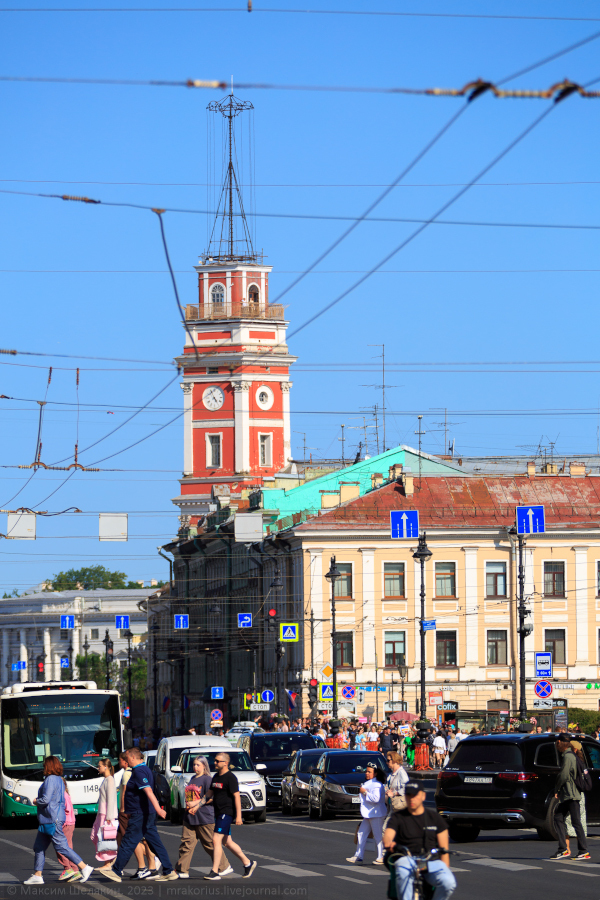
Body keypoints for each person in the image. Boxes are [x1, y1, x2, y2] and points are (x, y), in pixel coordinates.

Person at [102, 747, 176, 883]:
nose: (126, 760)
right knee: (155, 843)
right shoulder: (144, 769)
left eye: (127, 757)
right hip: (145, 812)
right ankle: (168, 870)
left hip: (140, 813)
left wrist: (159, 809)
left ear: (133, 758)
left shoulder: (139, 771)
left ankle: (116, 871)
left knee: (128, 841)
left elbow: (148, 791)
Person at [24, 756, 94, 885]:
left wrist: (35, 801)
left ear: (49, 766)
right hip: (50, 818)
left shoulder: (50, 779)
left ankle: (85, 867)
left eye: (45, 765)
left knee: (62, 846)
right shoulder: (59, 780)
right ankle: (37, 875)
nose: (43, 767)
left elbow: (46, 799)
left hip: (52, 818)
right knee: (39, 847)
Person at [383, 781, 456, 900]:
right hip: (407, 859)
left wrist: (444, 869)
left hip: (431, 862)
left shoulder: (434, 818)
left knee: (448, 882)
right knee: (403, 873)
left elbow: (444, 851)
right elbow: (388, 836)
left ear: (423, 796)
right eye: (409, 795)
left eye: (415, 795)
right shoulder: (398, 817)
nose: (412, 799)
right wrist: (389, 843)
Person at [201, 752, 257, 881]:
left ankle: (215, 871)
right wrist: (196, 805)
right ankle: (248, 863)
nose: (215, 763)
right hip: (218, 812)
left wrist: (239, 816)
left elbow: (237, 796)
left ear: (225, 763)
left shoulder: (230, 778)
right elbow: (208, 795)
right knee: (227, 842)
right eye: (214, 760)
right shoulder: (215, 777)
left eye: (217, 761)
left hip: (227, 813)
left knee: (216, 840)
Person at [175, 757, 233, 878]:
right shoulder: (192, 779)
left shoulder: (207, 780)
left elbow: (212, 797)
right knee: (186, 844)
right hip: (189, 816)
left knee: (209, 844)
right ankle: (182, 870)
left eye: (198, 765)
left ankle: (224, 866)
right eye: (194, 765)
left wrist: (196, 803)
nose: (195, 767)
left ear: (204, 766)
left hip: (204, 817)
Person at [115, 750, 159, 879]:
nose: (121, 762)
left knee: (134, 840)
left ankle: (146, 866)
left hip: (132, 811)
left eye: (122, 759)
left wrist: (123, 809)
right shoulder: (140, 771)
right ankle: (150, 866)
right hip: (139, 811)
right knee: (142, 839)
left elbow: (126, 794)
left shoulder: (131, 773)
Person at [550, 733, 590, 861]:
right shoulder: (570, 755)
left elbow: (564, 775)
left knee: (575, 822)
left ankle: (582, 850)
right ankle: (563, 849)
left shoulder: (568, 756)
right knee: (558, 817)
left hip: (571, 794)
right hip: (569, 794)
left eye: (557, 742)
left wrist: (557, 788)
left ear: (560, 743)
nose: (556, 744)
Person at [346, 762, 387, 865]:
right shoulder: (370, 783)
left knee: (378, 836)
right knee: (361, 833)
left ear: (375, 773)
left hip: (376, 814)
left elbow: (376, 799)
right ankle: (358, 856)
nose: (367, 773)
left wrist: (364, 792)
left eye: (369, 772)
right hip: (369, 814)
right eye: (366, 771)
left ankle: (381, 856)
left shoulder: (376, 784)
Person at [91, 758, 118, 872]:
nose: (98, 768)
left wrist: (109, 817)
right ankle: (109, 861)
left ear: (106, 766)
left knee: (105, 838)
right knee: (96, 836)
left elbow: (111, 799)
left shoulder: (110, 780)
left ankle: (108, 862)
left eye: (100, 766)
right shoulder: (106, 779)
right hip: (102, 813)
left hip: (106, 814)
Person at [564, 741, 589, 856]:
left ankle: (567, 848)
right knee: (579, 821)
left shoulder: (572, 761)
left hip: (573, 793)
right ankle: (582, 849)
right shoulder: (582, 763)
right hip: (581, 795)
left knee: (568, 820)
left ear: (574, 750)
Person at [56, 781, 79, 882]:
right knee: (68, 848)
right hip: (70, 823)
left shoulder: (62, 795)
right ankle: (75, 870)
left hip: (66, 824)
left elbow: (67, 810)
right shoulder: (66, 794)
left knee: (61, 847)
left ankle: (68, 868)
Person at [384, 751, 409, 822]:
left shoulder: (401, 773)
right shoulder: (391, 773)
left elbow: (406, 787)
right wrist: (386, 789)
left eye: (388, 760)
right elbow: (387, 785)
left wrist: (394, 793)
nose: (387, 762)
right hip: (391, 804)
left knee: (385, 829)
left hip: (399, 805)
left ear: (394, 760)